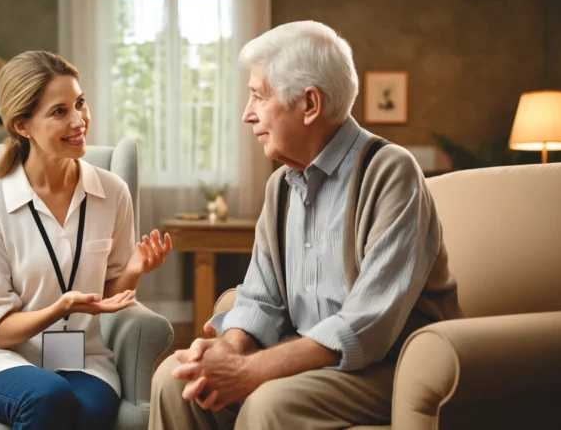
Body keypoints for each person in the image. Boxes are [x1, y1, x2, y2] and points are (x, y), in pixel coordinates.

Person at [149, 21, 463, 430]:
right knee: (172, 382)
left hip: (390, 366)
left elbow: (368, 324)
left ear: (309, 104)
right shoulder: (280, 186)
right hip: (311, 363)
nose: (247, 115)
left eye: (258, 96)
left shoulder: (389, 172)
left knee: (269, 402)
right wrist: (228, 352)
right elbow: (260, 300)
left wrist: (252, 370)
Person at [0, 51, 172, 430]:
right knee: (47, 396)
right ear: (23, 126)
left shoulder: (112, 191)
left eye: (80, 104)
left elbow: (109, 295)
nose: (79, 120)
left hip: (83, 360)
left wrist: (133, 269)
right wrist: (58, 308)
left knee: (86, 412)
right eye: (59, 111)